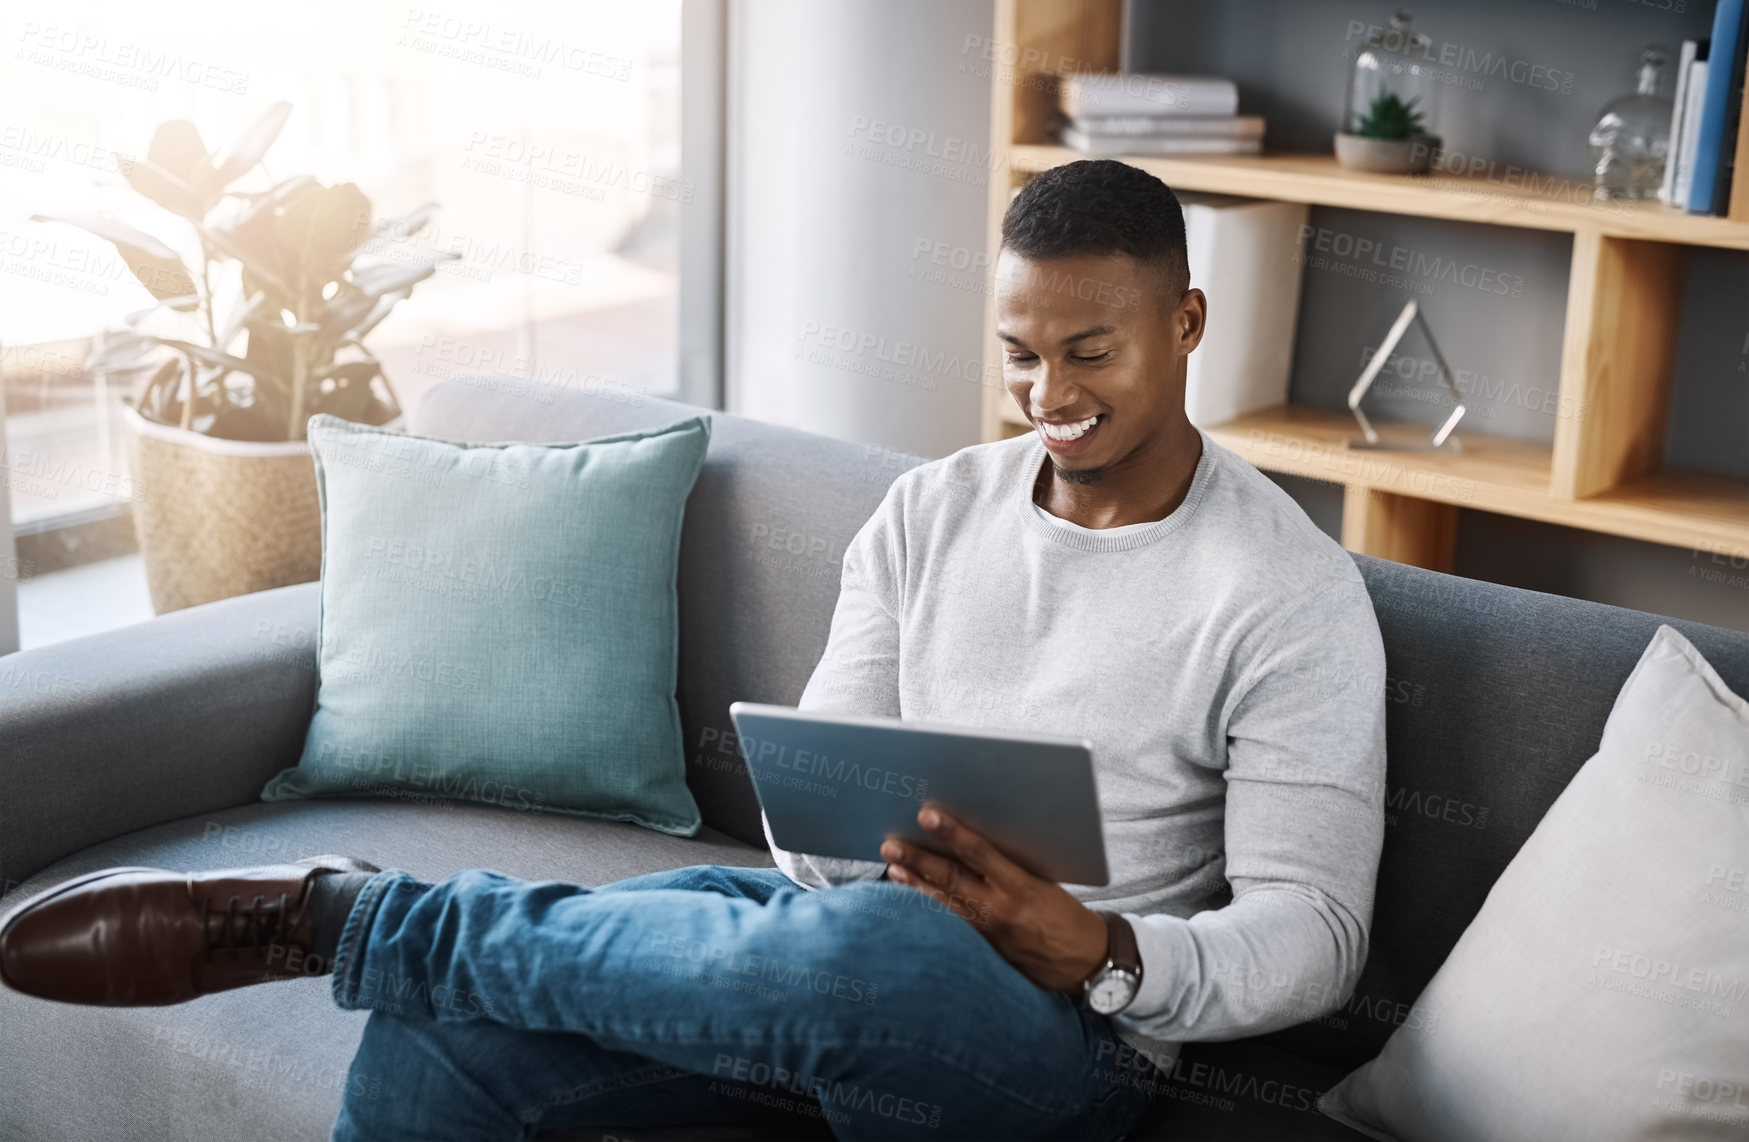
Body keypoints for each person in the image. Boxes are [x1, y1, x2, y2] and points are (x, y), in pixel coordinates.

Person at [0, 160, 1386, 1142]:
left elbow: (1316, 939)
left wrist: (1097, 946)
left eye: (1090, 351)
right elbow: (816, 815)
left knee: (870, 955)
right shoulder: (930, 510)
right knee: (449, 1030)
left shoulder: (1283, 593)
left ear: (1185, 322)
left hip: (1067, 1043)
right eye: (1021, 354)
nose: (1048, 396)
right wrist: (872, 862)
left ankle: (352, 918)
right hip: (830, 957)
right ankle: (394, 941)